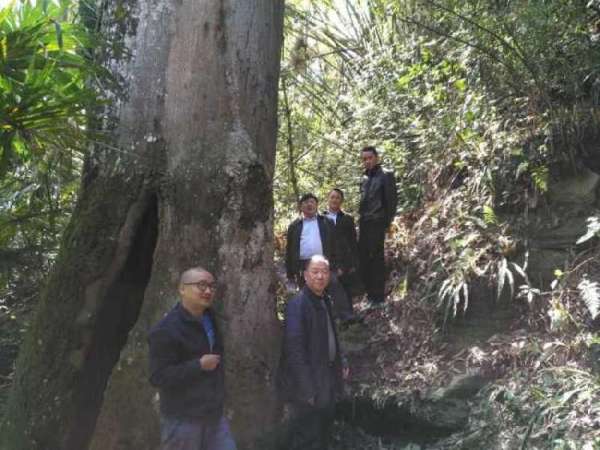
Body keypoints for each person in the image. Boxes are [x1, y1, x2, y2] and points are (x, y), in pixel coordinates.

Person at [148, 267, 237, 450]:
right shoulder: (165, 330)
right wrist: (199, 365)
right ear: (182, 289)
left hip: (214, 416)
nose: (208, 291)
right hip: (183, 419)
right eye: (201, 285)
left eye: (212, 286)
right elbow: (158, 376)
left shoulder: (211, 318)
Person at [280, 255, 348, 450]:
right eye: (315, 272)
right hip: (309, 384)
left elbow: (332, 335)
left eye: (324, 272)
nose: (320, 276)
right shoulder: (298, 304)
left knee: (324, 431)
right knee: (308, 436)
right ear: (305, 275)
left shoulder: (325, 300)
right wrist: (307, 388)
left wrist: (341, 362)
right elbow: (294, 350)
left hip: (327, 378)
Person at [285, 193, 352, 320]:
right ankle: (315, 321)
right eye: (306, 202)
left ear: (316, 205)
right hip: (303, 265)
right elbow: (289, 250)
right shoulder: (294, 226)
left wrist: (339, 265)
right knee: (308, 293)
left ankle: (346, 316)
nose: (309, 205)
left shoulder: (326, 222)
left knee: (334, 284)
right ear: (300, 207)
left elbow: (335, 245)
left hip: (324, 262)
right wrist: (290, 274)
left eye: (312, 202)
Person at [358, 146, 398, 306]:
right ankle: (370, 296)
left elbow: (391, 201)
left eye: (370, 158)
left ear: (376, 158)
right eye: (364, 159)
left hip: (377, 222)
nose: (367, 161)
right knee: (364, 259)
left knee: (376, 259)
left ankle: (379, 297)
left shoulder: (386, 175)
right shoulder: (364, 178)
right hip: (364, 223)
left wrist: (386, 223)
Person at [323, 188, 361, 317]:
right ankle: (334, 317)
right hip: (327, 260)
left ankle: (349, 318)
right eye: (332, 197)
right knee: (330, 288)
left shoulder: (347, 219)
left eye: (337, 197)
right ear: (328, 199)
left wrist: (354, 262)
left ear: (341, 201)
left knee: (346, 288)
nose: (334, 200)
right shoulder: (321, 219)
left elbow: (353, 242)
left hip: (345, 259)